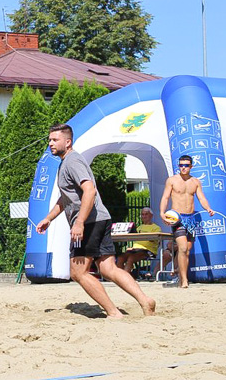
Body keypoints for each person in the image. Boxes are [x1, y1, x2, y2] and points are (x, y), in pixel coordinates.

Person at [36, 124, 155, 318]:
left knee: (77, 272)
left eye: (55, 140)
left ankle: (113, 312)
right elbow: (66, 197)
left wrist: (80, 222)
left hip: (90, 222)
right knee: (108, 268)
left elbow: (89, 190)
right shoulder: (66, 163)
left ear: (68, 142)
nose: (50, 143)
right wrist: (49, 218)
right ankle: (145, 300)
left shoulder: (72, 161)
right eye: (49, 140)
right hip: (100, 218)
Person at [159, 154, 214, 288]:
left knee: (187, 251)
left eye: (186, 166)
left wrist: (208, 208)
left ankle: (179, 274)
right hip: (177, 218)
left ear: (191, 166)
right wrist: (162, 212)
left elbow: (201, 198)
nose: (183, 168)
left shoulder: (195, 182)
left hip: (191, 218)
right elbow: (165, 197)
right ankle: (184, 280)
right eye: (181, 165)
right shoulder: (172, 180)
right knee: (182, 248)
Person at [116, 207, 172, 278]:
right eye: (142, 214)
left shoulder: (156, 228)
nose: (144, 216)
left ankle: (124, 279)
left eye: (146, 214)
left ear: (151, 216)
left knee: (131, 258)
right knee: (120, 258)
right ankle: (119, 278)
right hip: (135, 250)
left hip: (148, 251)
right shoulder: (139, 227)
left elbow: (157, 241)